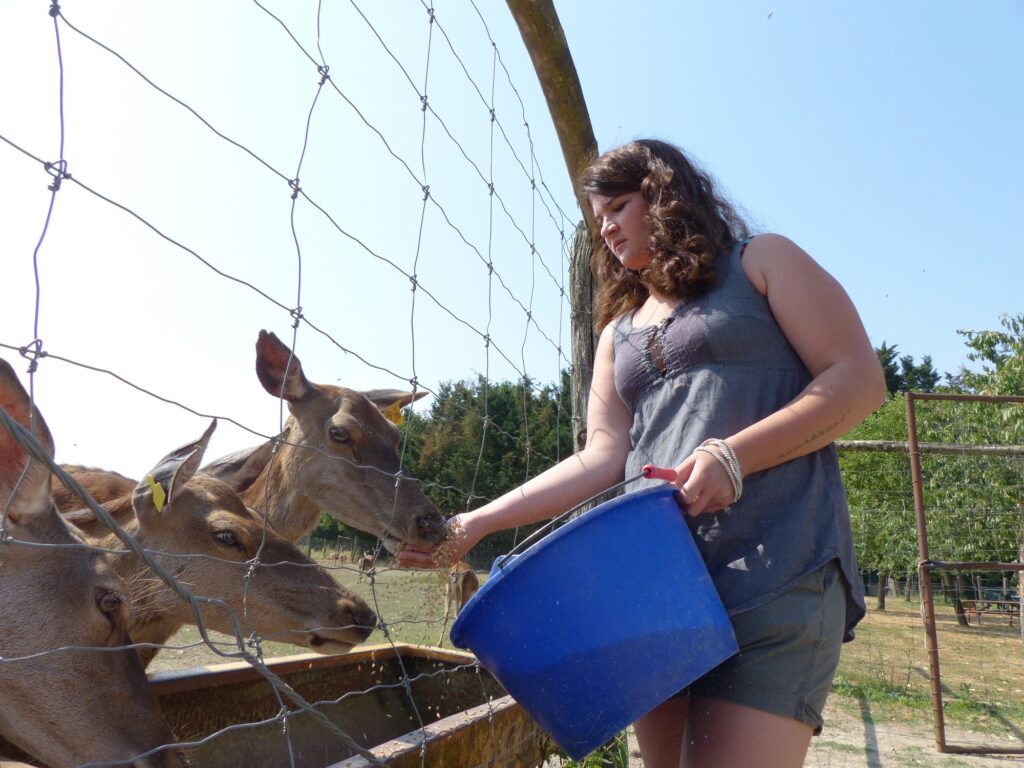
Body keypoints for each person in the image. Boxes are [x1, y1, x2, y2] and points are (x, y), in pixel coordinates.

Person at [398, 138, 886, 768]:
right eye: (597, 216)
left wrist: (733, 455)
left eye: (619, 206)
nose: (604, 227)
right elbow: (601, 458)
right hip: (654, 591)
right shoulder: (616, 335)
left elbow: (857, 380)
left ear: (664, 195)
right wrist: (478, 522)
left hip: (777, 570)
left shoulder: (762, 262)